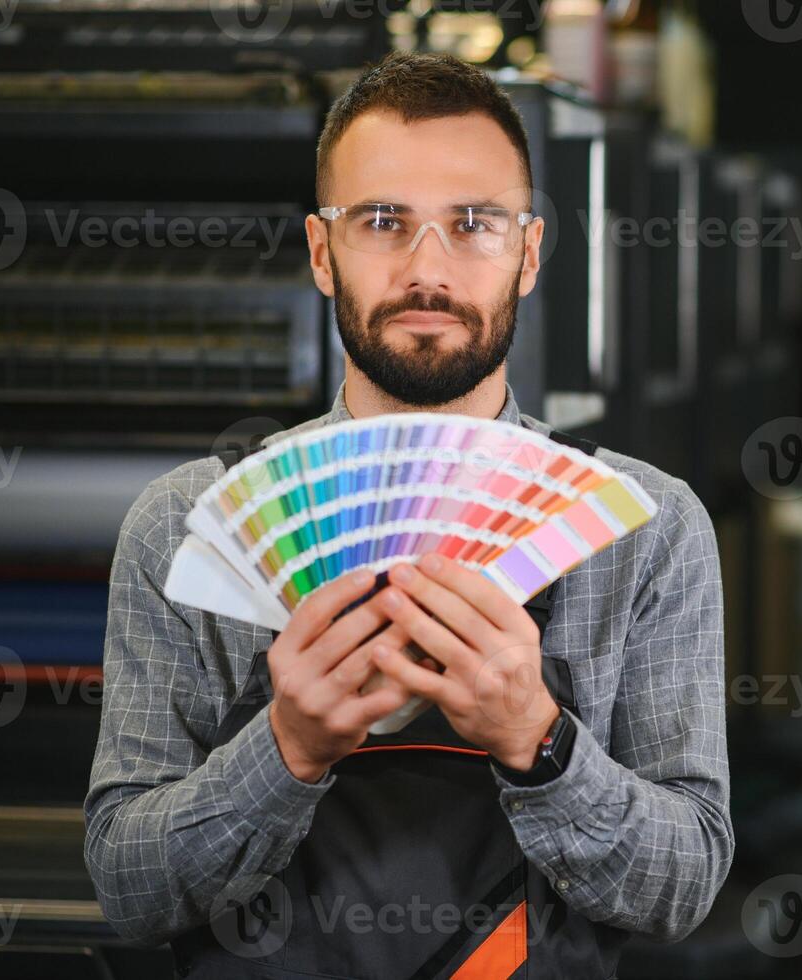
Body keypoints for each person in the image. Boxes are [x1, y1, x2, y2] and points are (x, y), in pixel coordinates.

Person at [84, 51, 731, 979]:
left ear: (529, 253)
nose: (428, 270)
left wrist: (536, 742)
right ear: (320, 252)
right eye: (382, 222)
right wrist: (288, 748)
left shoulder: (649, 528)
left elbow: (682, 884)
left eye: (474, 224)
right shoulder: (184, 522)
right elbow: (129, 889)